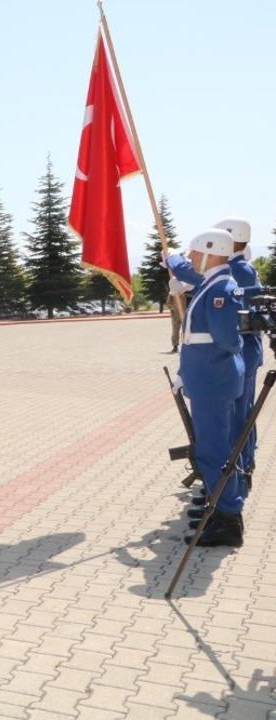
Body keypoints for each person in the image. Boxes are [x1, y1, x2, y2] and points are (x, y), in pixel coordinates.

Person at [166, 229, 246, 547]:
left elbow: (226, 339)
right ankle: (220, 507)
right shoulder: (212, 283)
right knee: (215, 449)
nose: (191, 259)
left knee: (213, 452)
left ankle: (226, 520)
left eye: (194, 253)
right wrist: (187, 371)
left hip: (213, 380)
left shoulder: (220, 289)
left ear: (211, 252)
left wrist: (199, 369)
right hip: (207, 378)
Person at [216, 217, 264, 494]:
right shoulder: (238, 267)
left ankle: (239, 472)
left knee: (238, 418)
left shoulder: (238, 269)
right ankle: (241, 468)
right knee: (241, 414)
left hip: (243, 349)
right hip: (245, 348)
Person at [168, 279, 189, 353]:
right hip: (176, 315)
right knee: (176, 330)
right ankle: (175, 346)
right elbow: (169, 304)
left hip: (184, 314)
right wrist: (172, 310)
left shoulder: (185, 293)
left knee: (186, 330)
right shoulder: (172, 294)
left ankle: (185, 344)